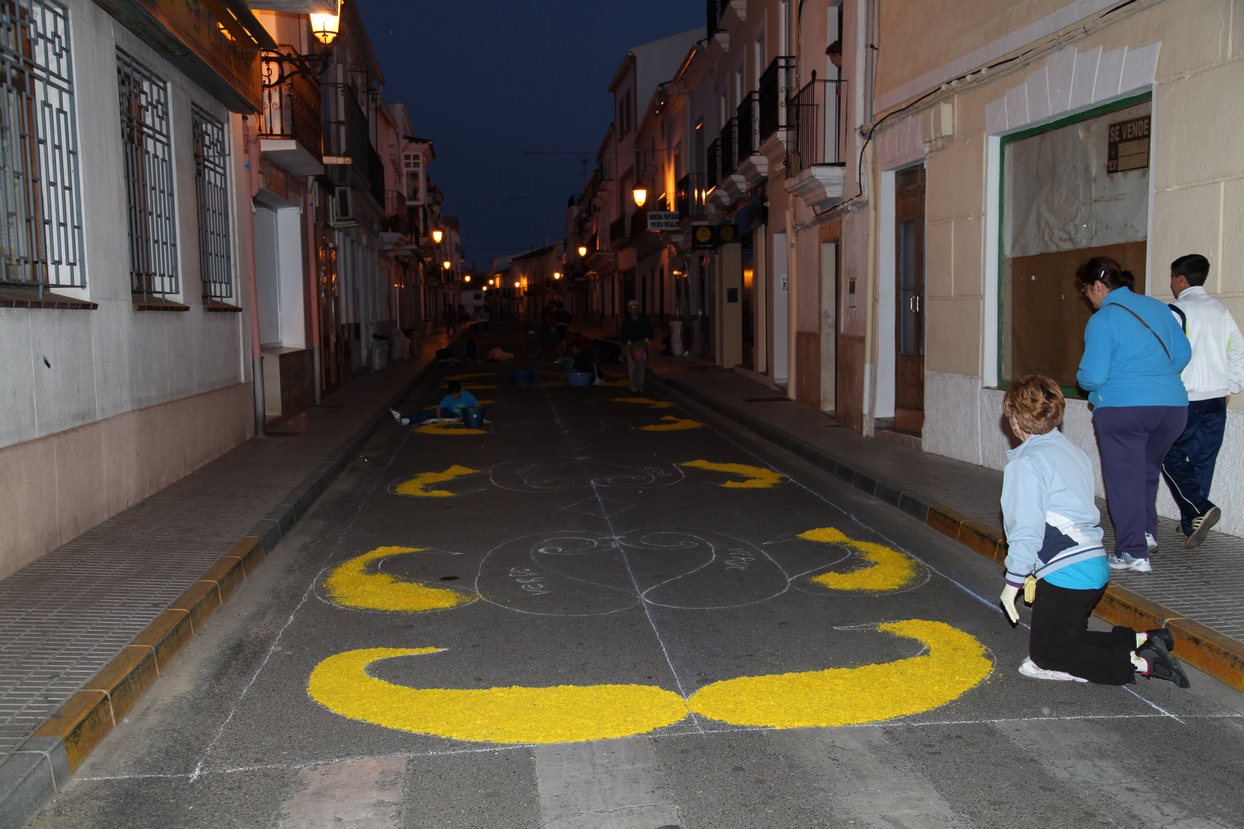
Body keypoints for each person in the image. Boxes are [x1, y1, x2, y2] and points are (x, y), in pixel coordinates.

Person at [999, 375, 1189, 688]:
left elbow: (1026, 529)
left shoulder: (1027, 462)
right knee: (1066, 636)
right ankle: (1145, 639)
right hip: (1092, 563)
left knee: (1046, 655)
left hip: (1066, 570)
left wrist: (1013, 581)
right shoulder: (1073, 452)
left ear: (1017, 420)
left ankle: (1142, 662)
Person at [1076, 256, 1190, 573]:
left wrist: (1083, 378)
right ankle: (1146, 533)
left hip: (1124, 409)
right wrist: (1157, 378)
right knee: (1145, 472)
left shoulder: (1103, 320)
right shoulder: (1157, 307)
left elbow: (1094, 376)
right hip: (1172, 408)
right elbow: (1183, 353)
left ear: (1098, 285)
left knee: (1124, 480)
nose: (1087, 296)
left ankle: (1132, 552)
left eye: (1086, 289)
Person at [1162, 253, 1244, 548]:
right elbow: (1238, 351)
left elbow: (1164, 356)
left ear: (1181, 279)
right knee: (1202, 460)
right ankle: (1190, 524)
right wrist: (1230, 386)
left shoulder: (1175, 310)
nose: (1170, 283)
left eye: (1171, 277)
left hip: (1187, 398)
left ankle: (1199, 509)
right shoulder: (1221, 310)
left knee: (1167, 453)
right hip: (1216, 399)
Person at [390, 380, 479, 426]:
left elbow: (479, 407)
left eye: (454, 395)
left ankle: (408, 421)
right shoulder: (449, 397)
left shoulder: (468, 396)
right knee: (429, 413)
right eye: (451, 395)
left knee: (429, 417)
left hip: (458, 416)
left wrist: (467, 416)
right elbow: (438, 408)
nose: (452, 397)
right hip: (450, 413)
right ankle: (403, 417)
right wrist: (440, 419)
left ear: (460, 392)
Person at [619, 299, 654, 393]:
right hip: (631, 347)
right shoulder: (626, 320)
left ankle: (641, 385)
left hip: (642, 346)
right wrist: (627, 341)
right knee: (633, 366)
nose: (634, 309)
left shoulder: (644, 319)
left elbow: (650, 329)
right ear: (629, 309)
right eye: (632, 307)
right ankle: (633, 385)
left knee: (641, 366)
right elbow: (623, 333)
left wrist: (647, 337)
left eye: (636, 307)